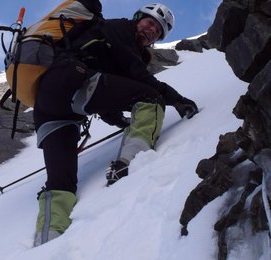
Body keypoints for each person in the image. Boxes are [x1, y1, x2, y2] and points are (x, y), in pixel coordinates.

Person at [33, 2, 198, 246]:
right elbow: (138, 78)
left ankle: (45, 243)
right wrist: (178, 100)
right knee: (151, 97)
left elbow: (106, 90)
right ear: (137, 19)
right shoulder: (121, 29)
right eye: (150, 22)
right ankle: (130, 164)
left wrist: (120, 120)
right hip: (73, 83)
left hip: (50, 107)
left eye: (158, 31)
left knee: (60, 184)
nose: (152, 30)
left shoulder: (107, 37)